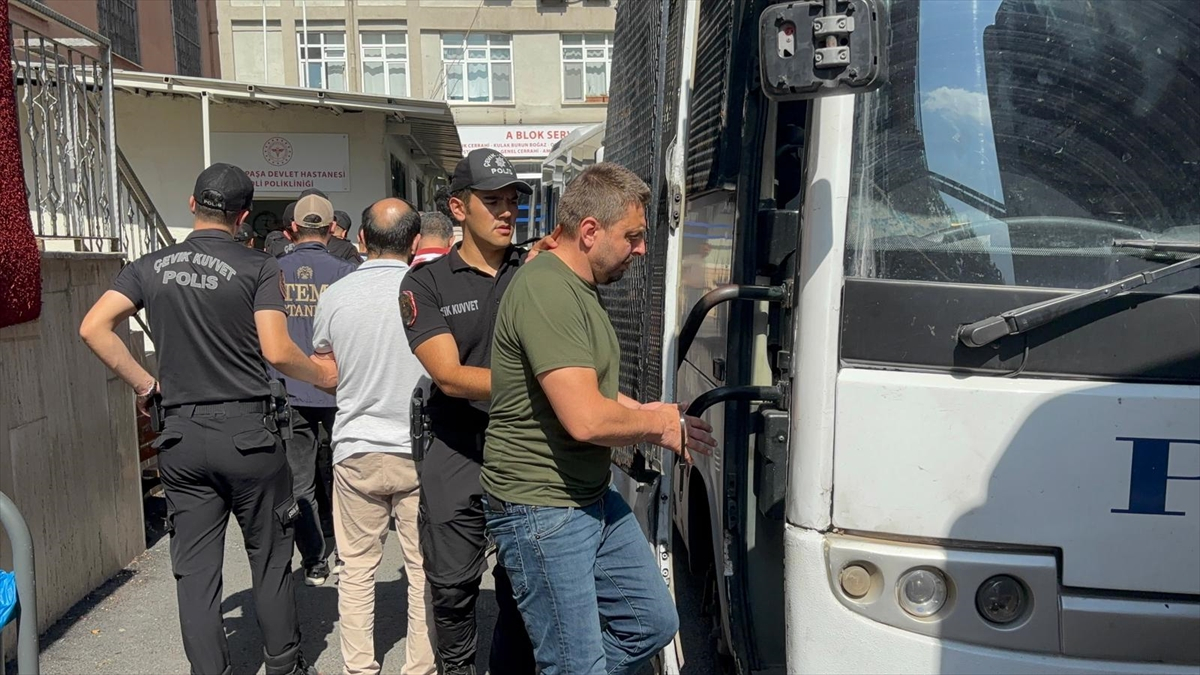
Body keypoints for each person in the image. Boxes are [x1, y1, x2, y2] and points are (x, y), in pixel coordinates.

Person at [79, 163, 335, 675]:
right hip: (249, 433)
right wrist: (323, 375)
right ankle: (284, 664)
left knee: (195, 572)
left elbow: (93, 326)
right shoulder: (259, 266)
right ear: (244, 215)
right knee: (270, 558)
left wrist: (145, 384)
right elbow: (277, 350)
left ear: (193, 204)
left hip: (182, 434)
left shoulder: (149, 266)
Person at [481, 163, 717, 675]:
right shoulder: (547, 289)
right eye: (632, 236)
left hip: (586, 495)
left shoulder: (574, 283)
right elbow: (586, 419)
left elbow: (591, 391)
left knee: (651, 623)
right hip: (542, 507)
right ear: (589, 231)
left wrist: (649, 412)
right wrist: (657, 426)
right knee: (575, 664)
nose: (641, 249)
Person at [399, 148, 544, 675]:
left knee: (523, 590)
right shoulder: (426, 283)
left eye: (512, 201)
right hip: (457, 448)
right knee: (453, 589)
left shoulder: (536, 270)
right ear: (458, 209)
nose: (507, 212)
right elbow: (450, 376)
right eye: (492, 201)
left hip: (526, 452)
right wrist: (550, 389)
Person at [311, 198, 436, 675]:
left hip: (355, 446)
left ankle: (360, 667)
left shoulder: (335, 296)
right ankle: (419, 667)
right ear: (416, 242)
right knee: (422, 570)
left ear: (361, 239)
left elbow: (326, 364)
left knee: (357, 569)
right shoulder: (427, 292)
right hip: (417, 448)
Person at [274, 193, 359, 586]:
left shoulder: (273, 270)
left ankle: (313, 561)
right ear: (331, 228)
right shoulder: (347, 273)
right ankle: (347, 555)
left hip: (290, 388)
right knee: (344, 474)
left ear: (293, 228)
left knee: (300, 480)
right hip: (339, 387)